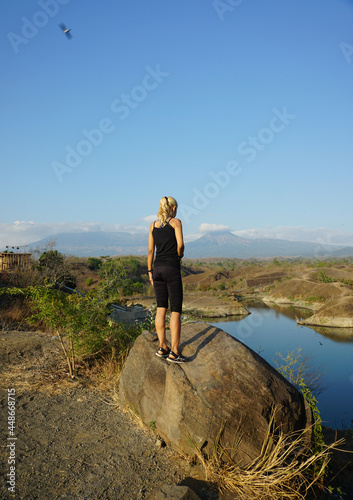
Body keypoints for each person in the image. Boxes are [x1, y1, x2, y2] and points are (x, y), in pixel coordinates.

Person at [147, 196, 188, 363]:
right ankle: (175, 352)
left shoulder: (153, 225)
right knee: (175, 310)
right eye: (176, 208)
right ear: (173, 208)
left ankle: (162, 347)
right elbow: (180, 245)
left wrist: (150, 271)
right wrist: (179, 256)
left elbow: (150, 251)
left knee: (161, 308)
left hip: (157, 269)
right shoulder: (176, 222)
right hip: (171, 268)